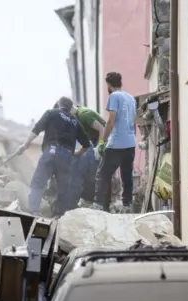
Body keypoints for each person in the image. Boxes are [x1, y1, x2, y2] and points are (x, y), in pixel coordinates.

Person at [16, 97, 91, 217]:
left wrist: (25, 145)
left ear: (58, 104)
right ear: (70, 108)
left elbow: (36, 129)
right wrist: (77, 153)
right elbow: (86, 144)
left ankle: (34, 211)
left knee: (38, 183)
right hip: (66, 156)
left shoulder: (51, 113)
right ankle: (60, 216)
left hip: (50, 151)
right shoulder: (75, 122)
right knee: (63, 188)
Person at [94, 72, 137, 213]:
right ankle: (127, 205)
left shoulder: (114, 96)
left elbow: (111, 120)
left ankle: (99, 204)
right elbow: (133, 120)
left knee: (103, 173)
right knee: (127, 175)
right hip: (130, 143)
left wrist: (102, 141)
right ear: (121, 82)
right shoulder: (131, 98)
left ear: (108, 84)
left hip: (116, 143)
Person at [69, 104, 106, 208]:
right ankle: (88, 200)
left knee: (96, 171)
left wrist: (99, 147)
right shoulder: (77, 117)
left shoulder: (84, 114)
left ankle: (98, 203)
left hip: (105, 141)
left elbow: (102, 129)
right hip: (95, 142)